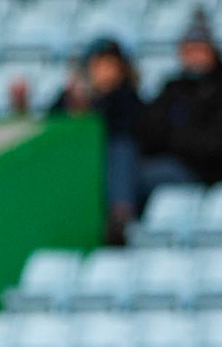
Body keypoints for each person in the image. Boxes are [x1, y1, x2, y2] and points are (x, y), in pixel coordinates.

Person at [50, 37, 149, 237]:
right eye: (100, 65)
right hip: (77, 165)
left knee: (121, 149)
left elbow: (131, 131)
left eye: (111, 65)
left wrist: (93, 109)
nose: (105, 71)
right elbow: (51, 129)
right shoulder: (68, 99)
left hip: (122, 169)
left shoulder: (127, 97)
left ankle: (119, 217)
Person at [139, 10, 222, 188]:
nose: (194, 56)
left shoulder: (216, 89)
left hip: (205, 171)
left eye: (199, 49)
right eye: (189, 50)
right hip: (174, 161)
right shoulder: (173, 88)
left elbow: (212, 143)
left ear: (212, 52)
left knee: (143, 175)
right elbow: (149, 129)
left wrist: (177, 140)